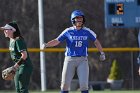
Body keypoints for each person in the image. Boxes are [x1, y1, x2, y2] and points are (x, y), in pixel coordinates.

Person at [42, 10, 106, 93]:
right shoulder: (68, 31)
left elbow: (96, 41)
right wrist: (47, 44)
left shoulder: (87, 31)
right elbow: (57, 40)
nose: (79, 20)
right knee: (64, 85)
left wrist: (102, 53)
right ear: (73, 20)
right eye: (77, 18)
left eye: (81, 18)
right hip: (69, 59)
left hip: (82, 60)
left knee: (84, 85)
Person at [1, 21, 33, 93]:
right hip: (18, 67)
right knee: (18, 89)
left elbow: (24, 55)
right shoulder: (11, 40)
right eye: (4, 30)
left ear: (12, 30)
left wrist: (15, 67)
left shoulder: (18, 40)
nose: (4, 31)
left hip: (25, 66)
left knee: (22, 89)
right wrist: (16, 67)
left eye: (6, 29)